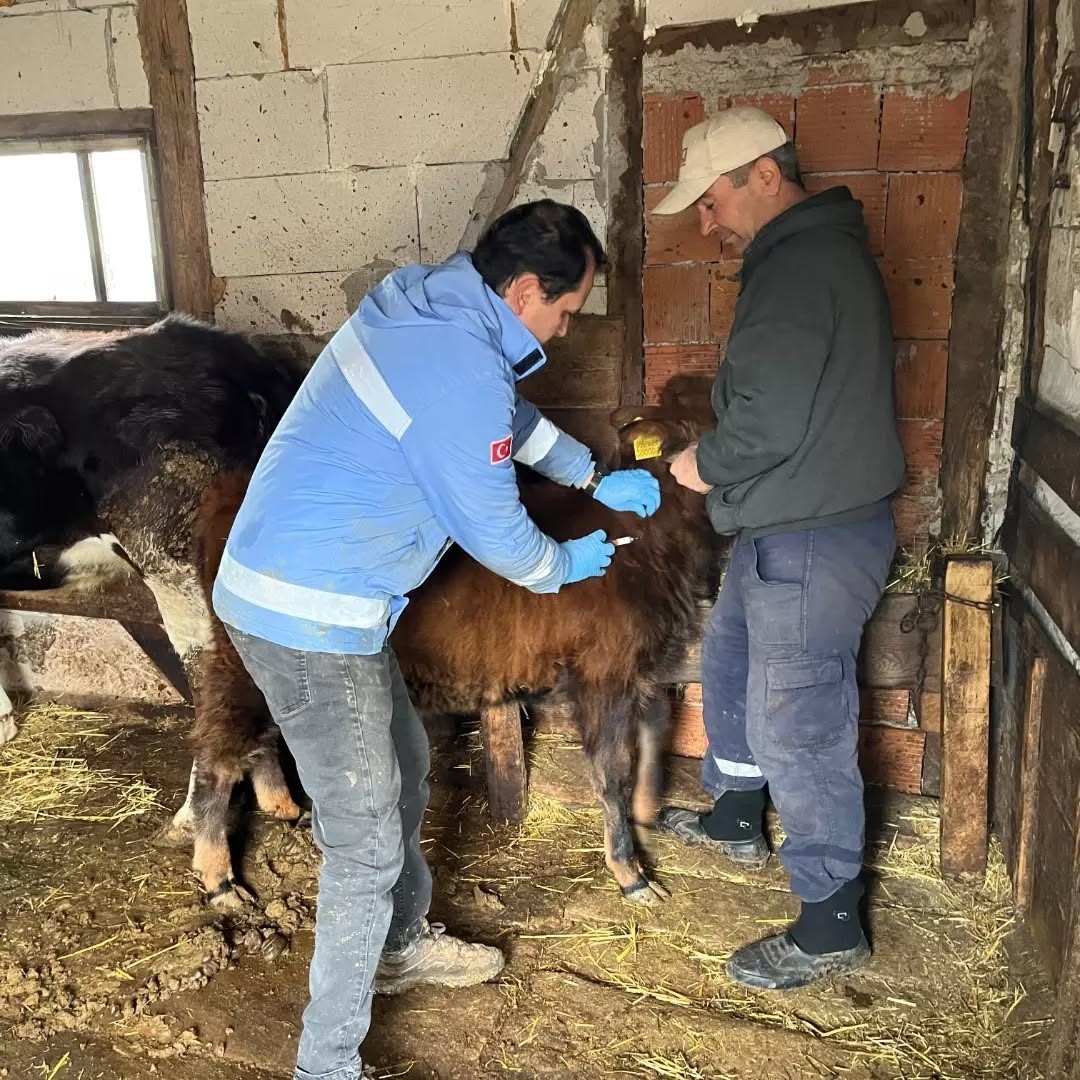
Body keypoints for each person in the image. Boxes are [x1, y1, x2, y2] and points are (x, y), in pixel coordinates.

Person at [211, 200, 661, 1080]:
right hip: (307, 615)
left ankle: (399, 942)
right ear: (525, 289)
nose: (566, 330)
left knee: (409, 764)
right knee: (367, 841)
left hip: (334, 597)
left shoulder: (439, 305)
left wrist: (594, 473)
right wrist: (568, 561)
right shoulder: (457, 363)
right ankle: (328, 1064)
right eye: (565, 312)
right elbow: (502, 536)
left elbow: (506, 420)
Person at [651, 108, 906, 991]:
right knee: (730, 663)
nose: (706, 223)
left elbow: (763, 424)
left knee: (796, 720)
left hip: (813, 532)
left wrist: (697, 464)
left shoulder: (801, 267)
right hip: (787, 523)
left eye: (713, 201)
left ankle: (832, 920)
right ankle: (736, 814)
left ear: (765, 175)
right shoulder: (801, 258)